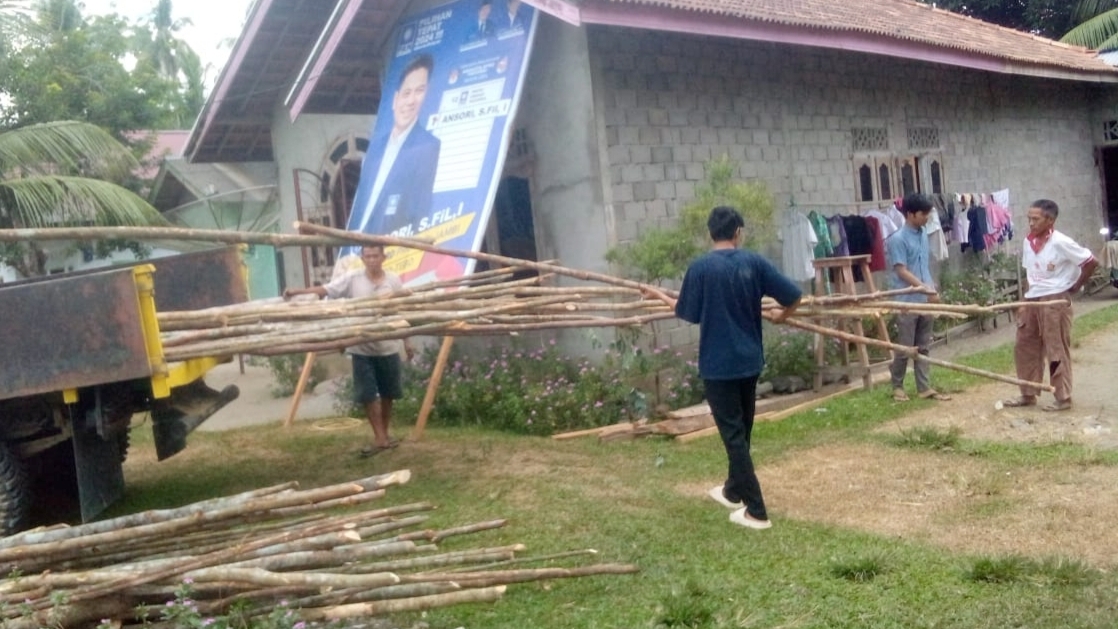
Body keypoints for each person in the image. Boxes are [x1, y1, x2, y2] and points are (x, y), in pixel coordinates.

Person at [645, 206, 802, 530]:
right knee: (741, 432)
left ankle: (756, 510)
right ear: (738, 233)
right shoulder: (754, 262)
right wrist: (780, 317)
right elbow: (794, 296)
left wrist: (657, 294)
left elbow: (687, 312)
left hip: (718, 365)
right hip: (749, 361)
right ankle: (733, 491)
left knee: (734, 436)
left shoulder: (701, 268)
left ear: (710, 233)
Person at [283, 246, 415, 456]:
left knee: (389, 393)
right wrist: (298, 292)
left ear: (383, 257)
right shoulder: (353, 279)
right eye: (368, 256)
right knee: (367, 394)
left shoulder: (393, 280)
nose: (371, 260)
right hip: (361, 346)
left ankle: (384, 434)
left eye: (375, 256)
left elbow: (402, 311)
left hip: (388, 345)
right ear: (362, 258)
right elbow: (327, 289)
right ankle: (380, 438)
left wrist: (407, 341)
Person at [1002, 199, 1098, 412]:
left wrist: (1074, 286)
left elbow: (1091, 262)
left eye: (1035, 219)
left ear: (1050, 220)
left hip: (1054, 299)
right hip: (1032, 298)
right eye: (1029, 219)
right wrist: (1024, 301)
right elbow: (1029, 274)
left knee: (1055, 348)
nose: (1031, 223)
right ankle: (1028, 393)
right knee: (1024, 345)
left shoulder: (1060, 242)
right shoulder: (1029, 242)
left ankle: (1062, 397)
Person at [352, 54, 442, 238]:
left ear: (426, 95)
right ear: (395, 99)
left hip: (392, 248)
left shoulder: (428, 147)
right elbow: (360, 206)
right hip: (358, 248)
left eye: (419, 91)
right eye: (406, 93)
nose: (411, 101)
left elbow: (419, 212)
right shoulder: (374, 151)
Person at [886, 193, 951, 403]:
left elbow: (924, 266)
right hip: (907, 301)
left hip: (925, 298)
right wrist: (923, 288)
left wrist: (931, 289)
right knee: (905, 347)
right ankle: (897, 386)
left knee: (923, 346)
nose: (927, 218)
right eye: (924, 214)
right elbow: (901, 270)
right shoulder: (897, 239)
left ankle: (923, 387)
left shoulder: (923, 233)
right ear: (911, 214)